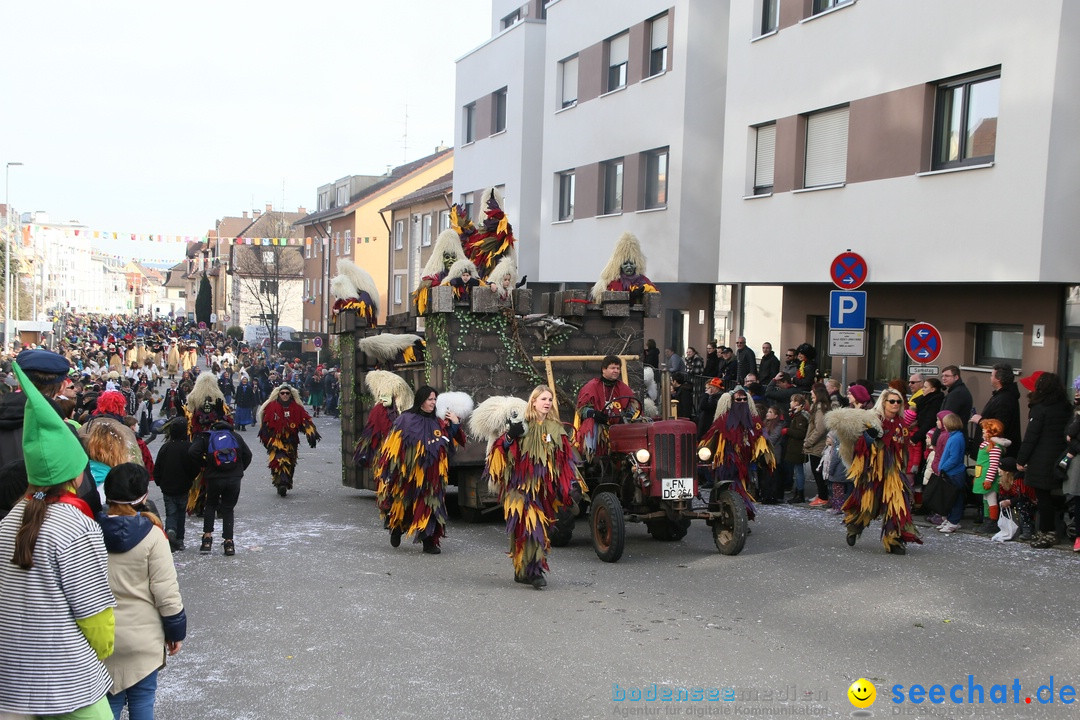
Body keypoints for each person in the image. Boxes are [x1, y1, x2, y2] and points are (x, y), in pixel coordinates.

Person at [0, 361, 117, 719]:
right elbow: (97, 619)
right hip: (68, 686)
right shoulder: (75, 526)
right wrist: (101, 651)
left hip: (11, 684)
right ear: (74, 471)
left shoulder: (7, 522)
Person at [98, 463, 186, 720]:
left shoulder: (89, 532)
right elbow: (166, 591)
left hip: (102, 636)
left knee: (109, 703)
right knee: (143, 702)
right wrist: (175, 631)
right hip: (143, 638)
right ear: (143, 496)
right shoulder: (154, 536)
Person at [485, 385, 580, 589]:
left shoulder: (556, 429)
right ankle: (534, 572)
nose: (547, 403)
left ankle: (522, 571)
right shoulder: (521, 425)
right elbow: (498, 452)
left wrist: (567, 485)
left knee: (539, 530)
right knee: (528, 528)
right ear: (533, 401)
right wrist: (510, 436)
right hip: (519, 488)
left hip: (544, 491)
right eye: (543, 399)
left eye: (550, 399)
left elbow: (564, 460)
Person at [830, 386, 921, 554]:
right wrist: (870, 436)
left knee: (897, 504)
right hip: (872, 470)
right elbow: (859, 445)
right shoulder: (873, 419)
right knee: (866, 504)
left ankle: (894, 539)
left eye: (898, 401)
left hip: (893, 471)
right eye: (891, 401)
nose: (895, 404)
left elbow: (904, 449)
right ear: (884, 403)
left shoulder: (902, 424)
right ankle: (854, 527)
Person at [376, 386, 464, 555]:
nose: (433, 402)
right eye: (430, 399)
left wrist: (455, 423)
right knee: (404, 503)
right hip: (408, 475)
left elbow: (446, 441)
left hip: (432, 477)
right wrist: (393, 469)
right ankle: (396, 528)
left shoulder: (438, 421)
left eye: (435, 399)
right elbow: (393, 446)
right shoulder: (406, 419)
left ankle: (428, 541)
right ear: (421, 400)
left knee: (430, 506)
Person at [697, 386, 775, 523]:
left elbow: (760, 435)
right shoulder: (723, 419)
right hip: (726, 461)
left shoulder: (753, 420)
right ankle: (724, 515)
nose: (742, 401)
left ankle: (738, 518)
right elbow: (711, 438)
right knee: (724, 487)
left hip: (745, 463)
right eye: (738, 399)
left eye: (745, 399)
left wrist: (764, 453)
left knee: (741, 489)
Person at [1015, 371, 1072, 549]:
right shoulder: (1065, 406)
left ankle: (1047, 532)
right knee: (1054, 496)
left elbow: (1031, 437)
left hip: (1042, 458)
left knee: (1043, 497)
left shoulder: (1040, 408)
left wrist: (1021, 460)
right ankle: (1054, 529)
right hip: (1059, 456)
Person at [190, 418, 253, 555]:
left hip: (214, 477)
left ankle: (207, 539)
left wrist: (204, 464)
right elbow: (248, 455)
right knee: (228, 509)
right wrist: (239, 469)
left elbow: (192, 452)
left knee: (211, 505)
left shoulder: (207, 436)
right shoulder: (235, 436)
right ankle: (229, 543)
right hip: (234, 478)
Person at [257, 384, 320, 497]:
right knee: (279, 461)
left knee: (290, 463)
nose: (285, 395)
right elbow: (265, 424)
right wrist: (266, 438)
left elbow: (305, 420)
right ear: (278, 394)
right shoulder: (271, 406)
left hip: (291, 441)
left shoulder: (297, 407)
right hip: (276, 440)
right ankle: (281, 484)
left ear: (291, 395)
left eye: (287, 393)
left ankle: (285, 482)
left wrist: (311, 432)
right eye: (282, 393)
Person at [574, 356, 639, 463]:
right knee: (590, 423)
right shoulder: (591, 386)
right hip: (599, 427)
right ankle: (590, 459)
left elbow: (634, 409)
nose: (616, 371)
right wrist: (594, 414)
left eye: (618, 368)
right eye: (613, 368)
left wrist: (628, 416)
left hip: (619, 427)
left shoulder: (624, 388)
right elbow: (581, 410)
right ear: (604, 369)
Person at [153, 419, 199, 553]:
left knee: (171, 513)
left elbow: (158, 466)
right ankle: (179, 539)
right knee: (180, 513)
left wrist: (159, 481)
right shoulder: (188, 447)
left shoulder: (166, 447)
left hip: (167, 486)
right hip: (183, 486)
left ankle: (170, 533)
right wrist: (190, 478)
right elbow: (195, 466)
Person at [970, 363, 1021, 457]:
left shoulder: (1005, 399)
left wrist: (980, 421)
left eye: (992, 375)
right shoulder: (1001, 396)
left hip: (994, 452)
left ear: (998, 379)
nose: (990, 378)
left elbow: (1000, 425)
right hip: (991, 448)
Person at [971, 418, 1009, 534]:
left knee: (991, 500)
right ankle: (987, 520)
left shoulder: (994, 447)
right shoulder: (987, 445)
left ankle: (992, 522)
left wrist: (988, 479)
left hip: (988, 477)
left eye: (985, 431)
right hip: (982, 475)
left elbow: (993, 465)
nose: (983, 433)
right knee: (985, 499)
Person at [934, 412, 968, 533]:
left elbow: (954, 458)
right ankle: (950, 519)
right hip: (951, 472)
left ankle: (953, 521)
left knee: (955, 498)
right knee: (951, 498)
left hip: (954, 473)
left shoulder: (956, 438)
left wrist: (943, 468)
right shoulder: (954, 436)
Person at [804, 384, 831, 507]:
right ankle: (821, 495)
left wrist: (809, 442)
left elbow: (820, 429)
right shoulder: (820, 407)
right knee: (818, 472)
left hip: (818, 445)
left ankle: (823, 497)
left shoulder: (820, 409)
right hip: (817, 444)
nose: (811, 395)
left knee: (818, 472)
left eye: (813, 394)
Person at [783, 394, 810, 503]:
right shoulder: (796, 415)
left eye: (792, 401)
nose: (790, 403)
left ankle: (800, 493)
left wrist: (788, 431)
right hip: (794, 447)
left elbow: (800, 433)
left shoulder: (801, 417)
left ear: (797, 404)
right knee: (796, 470)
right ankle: (797, 492)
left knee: (799, 471)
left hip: (798, 448)